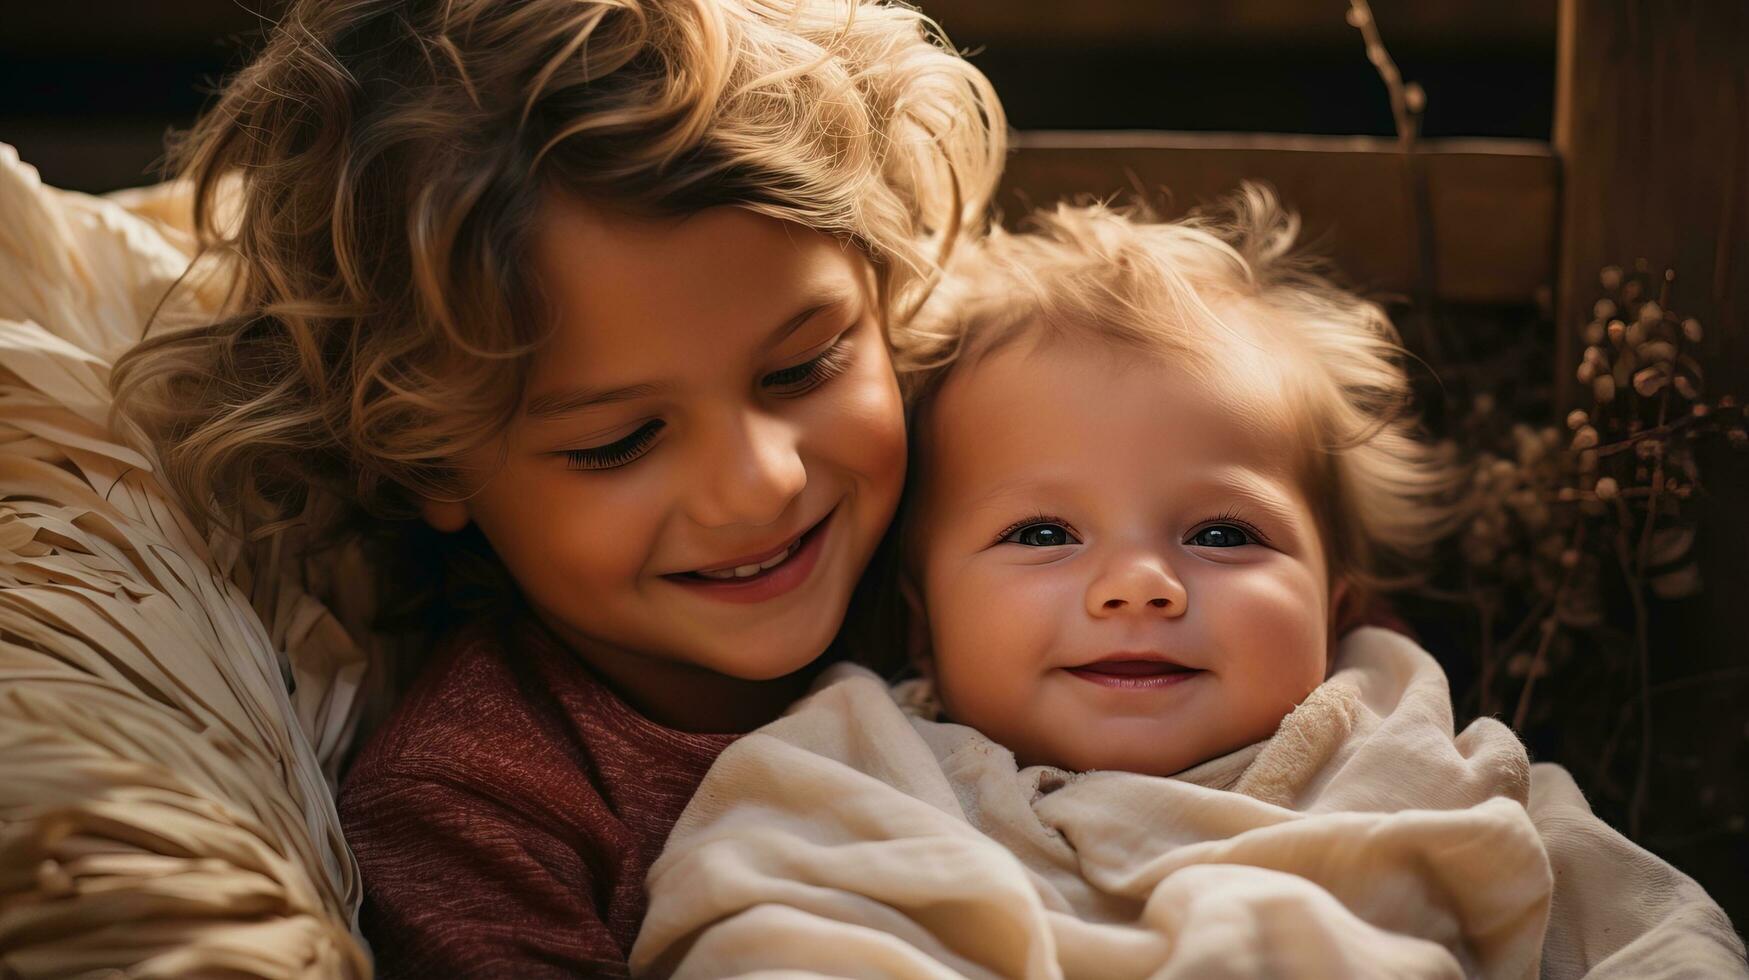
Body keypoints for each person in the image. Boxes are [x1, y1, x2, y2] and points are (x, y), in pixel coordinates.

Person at [634, 191, 1748, 978]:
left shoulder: (1442, 772)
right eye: (1041, 531)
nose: (1137, 586)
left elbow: (1663, 940)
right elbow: (753, 925)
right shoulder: (860, 769)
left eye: (1222, 530)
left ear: (1341, 597)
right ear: (921, 616)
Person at [106, 0, 1005, 975]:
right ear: (427, 454)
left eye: (804, 367)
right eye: (618, 441)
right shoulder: (477, 804)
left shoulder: (1024, 522)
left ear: (884, 295)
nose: (758, 485)